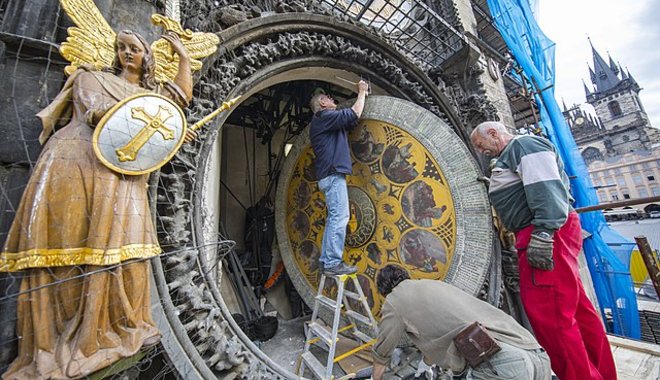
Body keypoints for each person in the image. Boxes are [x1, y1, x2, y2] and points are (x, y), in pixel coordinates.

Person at [0, 30, 195, 380]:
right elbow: (97, 113)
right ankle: (65, 339)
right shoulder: (93, 77)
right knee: (71, 242)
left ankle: (117, 326)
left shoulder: (148, 96)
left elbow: (179, 98)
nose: (126, 54)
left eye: (135, 49)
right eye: (121, 48)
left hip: (124, 175)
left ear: (147, 56)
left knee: (130, 248)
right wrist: (157, 118)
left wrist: (181, 57)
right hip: (80, 160)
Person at [470, 121, 617, 380]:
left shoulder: (523, 145)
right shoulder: (512, 155)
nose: (483, 152)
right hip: (549, 230)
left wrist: (543, 234)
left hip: (544, 232)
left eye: (482, 146)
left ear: (494, 133)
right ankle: (600, 373)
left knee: (552, 319)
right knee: (576, 312)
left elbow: (546, 188)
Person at [371, 265, 551, 380]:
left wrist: (374, 378)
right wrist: (425, 365)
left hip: (500, 365)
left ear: (384, 290)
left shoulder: (395, 299)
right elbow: (440, 334)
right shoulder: (433, 285)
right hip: (535, 354)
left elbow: (383, 350)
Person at [308, 80, 368, 275]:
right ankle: (333, 262)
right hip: (333, 175)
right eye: (329, 98)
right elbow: (354, 114)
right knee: (341, 217)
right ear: (323, 104)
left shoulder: (325, 122)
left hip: (329, 175)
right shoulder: (324, 116)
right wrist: (362, 92)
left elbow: (349, 121)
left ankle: (327, 260)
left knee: (334, 217)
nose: (333, 99)